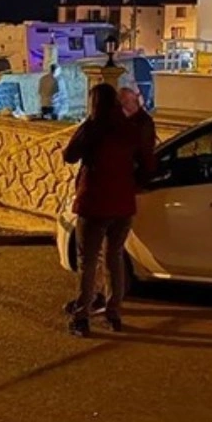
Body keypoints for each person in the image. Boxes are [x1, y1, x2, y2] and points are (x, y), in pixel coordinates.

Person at [61, 83, 155, 337]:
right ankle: (113, 313)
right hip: (123, 205)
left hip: (94, 204)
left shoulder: (92, 128)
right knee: (114, 257)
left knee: (88, 262)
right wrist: (133, 184)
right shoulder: (129, 129)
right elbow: (147, 162)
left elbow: (69, 155)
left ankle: (82, 316)